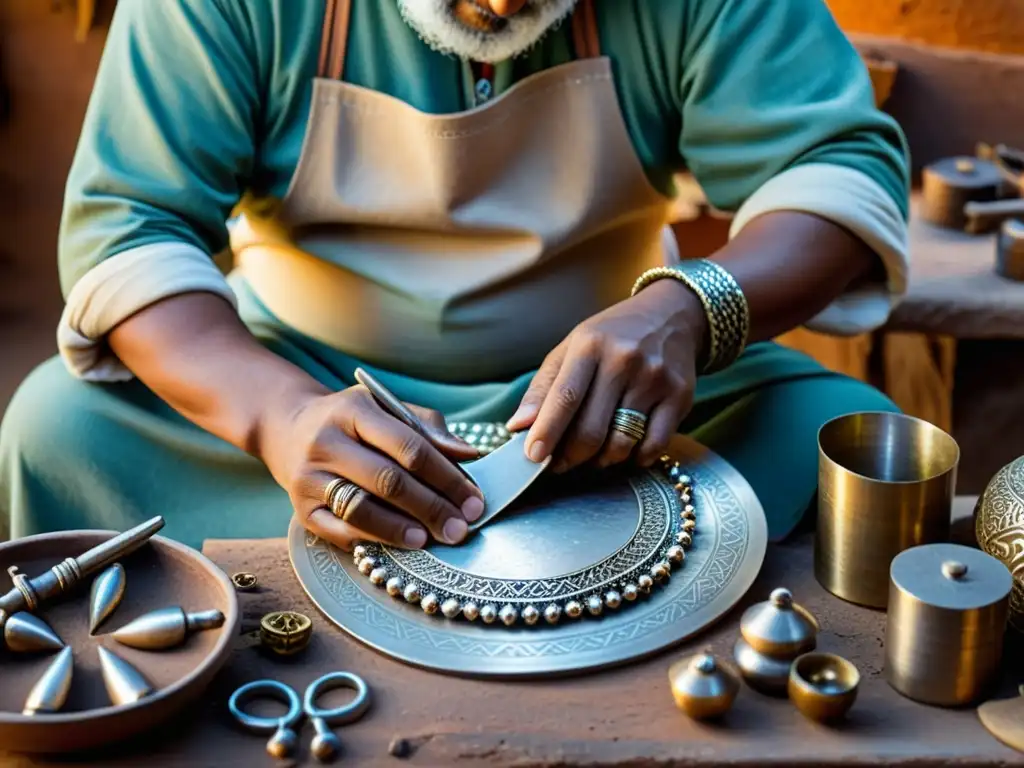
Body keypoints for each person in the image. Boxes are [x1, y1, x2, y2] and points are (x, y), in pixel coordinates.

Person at [0, 0, 909, 551]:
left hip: (620, 412)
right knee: (56, 429)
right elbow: (131, 226)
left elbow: (833, 170)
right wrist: (278, 416)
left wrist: (688, 310)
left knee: (841, 442)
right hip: (307, 384)